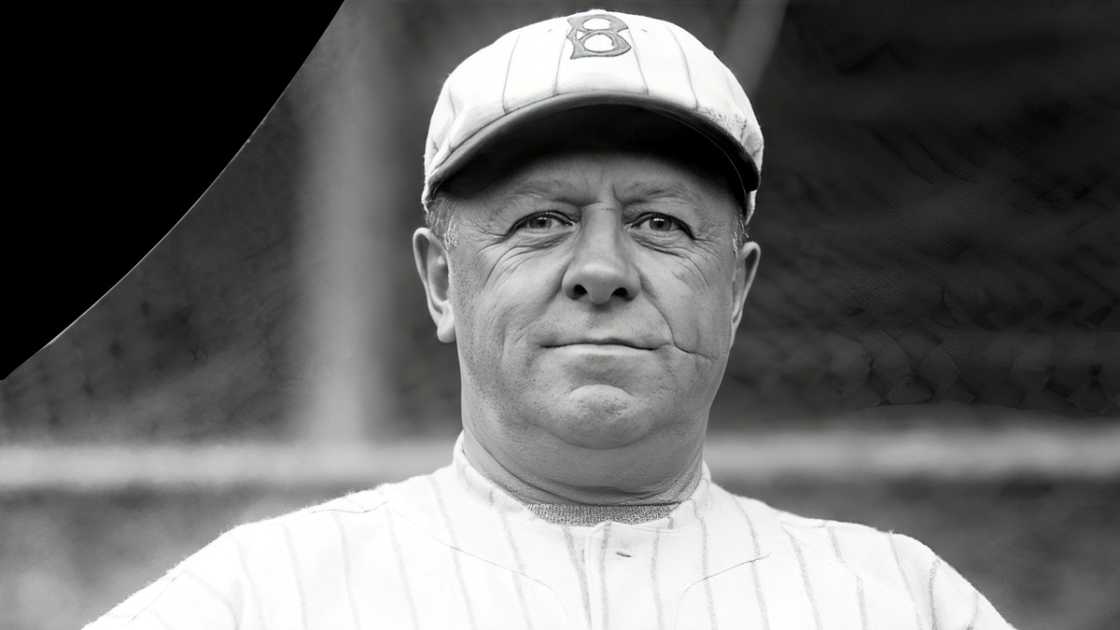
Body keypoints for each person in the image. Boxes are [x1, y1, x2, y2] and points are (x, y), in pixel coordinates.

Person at [87, 9, 1015, 629]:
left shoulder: (900, 601)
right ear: (442, 281)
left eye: (659, 222)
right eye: (542, 222)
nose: (603, 270)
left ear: (734, 291)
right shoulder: (263, 598)